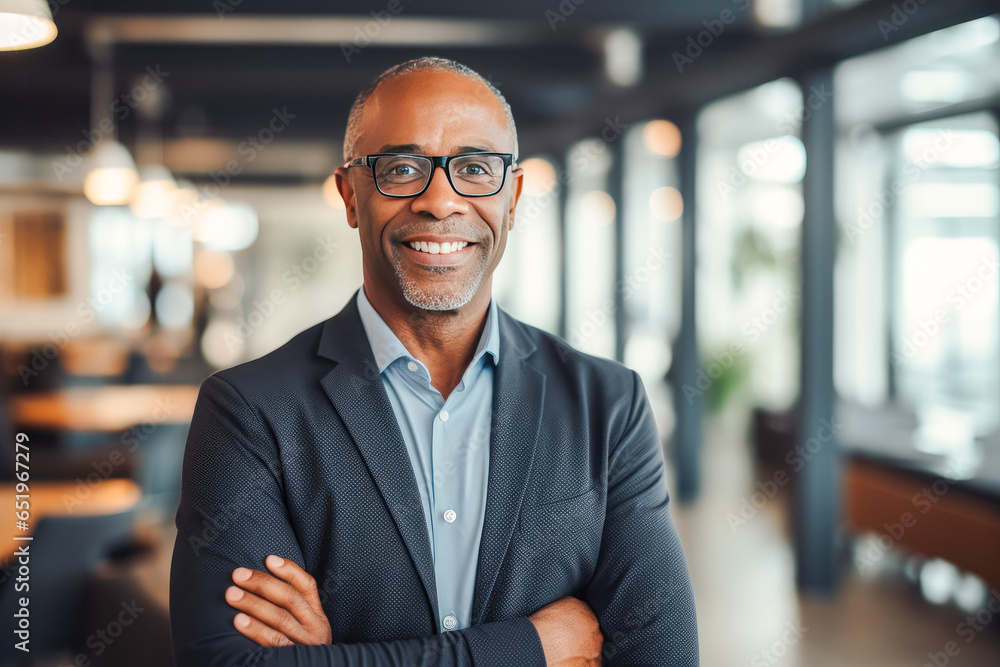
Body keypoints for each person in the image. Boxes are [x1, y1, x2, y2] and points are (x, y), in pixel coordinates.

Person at [170, 57, 699, 666]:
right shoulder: (249, 411)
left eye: (475, 169)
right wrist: (528, 648)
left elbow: (665, 658)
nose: (440, 200)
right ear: (349, 195)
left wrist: (338, 656)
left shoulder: (607, 404)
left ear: (513, 197)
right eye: (401, 168)